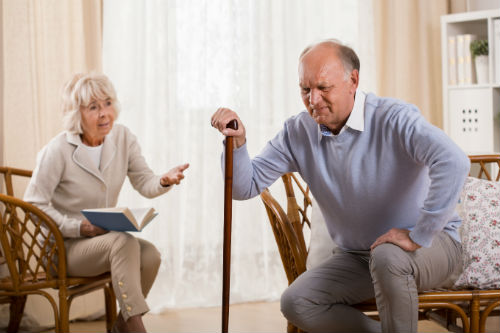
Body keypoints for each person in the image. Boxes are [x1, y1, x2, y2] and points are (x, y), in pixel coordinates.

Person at [211, 39, 469, 333]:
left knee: (388, 258)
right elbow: (245, 186)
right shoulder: (298, 132)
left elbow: (453, 161)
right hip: (359, 257)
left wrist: (419, 234)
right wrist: (237, 144)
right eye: (305, 90)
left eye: (323, 88)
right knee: (296, 302)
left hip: (432, 248)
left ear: (353, 81)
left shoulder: (393, 117)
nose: (313, 100)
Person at [24, 73, 189, 333]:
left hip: (100, 242)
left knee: (150, 255)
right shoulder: (56, 150)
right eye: (93, 107)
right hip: (62, 247)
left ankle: (122, 325)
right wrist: (79, 228)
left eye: (107, 103)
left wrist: (164, 180)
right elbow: (33, 205)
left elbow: (144, 181)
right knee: (123, 242)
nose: (104, 114)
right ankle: (136, 328)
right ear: (76, 114)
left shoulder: (123, 137)